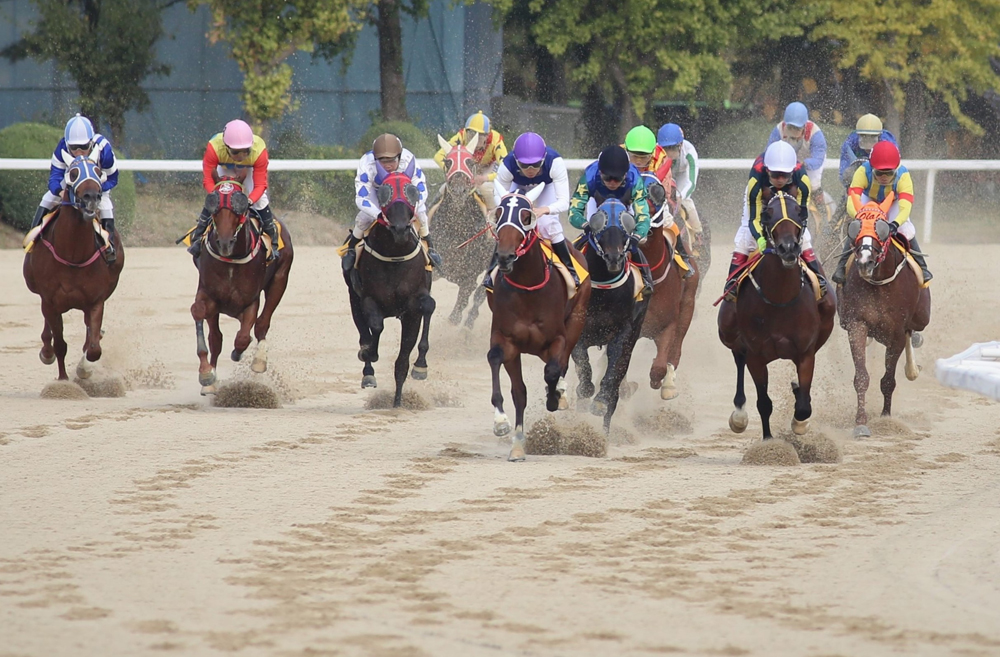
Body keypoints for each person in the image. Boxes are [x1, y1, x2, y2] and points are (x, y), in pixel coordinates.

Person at [723, 140, 828, 302]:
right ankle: (732, 282)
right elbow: (753, 219)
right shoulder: (756, 180)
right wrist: (760, 238)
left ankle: (818, 277)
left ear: (792, 172)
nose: (780, 179)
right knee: (745, 238)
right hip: (761, 198)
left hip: (791, 196)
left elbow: (802, 215)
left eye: (785, 175)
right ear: (767, 170)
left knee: (805, 237)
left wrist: (797, 237)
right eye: (775, 175)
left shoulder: (803, 181)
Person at [832, 140, 932, 284]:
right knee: (859, 228)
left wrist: (895, 224)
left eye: (889, 173)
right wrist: (861, 219)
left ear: (896, 170)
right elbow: (851, 202)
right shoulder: (862, 171)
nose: (884, 177)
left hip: (892, 202)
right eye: (879, 173)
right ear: (872, 168)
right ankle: (841, 266)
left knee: (906, 230)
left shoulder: (903, 176)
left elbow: (905, 208)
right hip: (869, 200)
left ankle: (922, 267)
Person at [487, 132, 575, 289]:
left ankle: (570, 269)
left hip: (546, 186)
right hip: (517, 186)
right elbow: (498, 196)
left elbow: (563, 202)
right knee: (508, 223)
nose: (530, 169)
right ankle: (491, 272)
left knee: (548, 224)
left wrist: (544, 210)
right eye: (524, 165)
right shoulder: (507, 166)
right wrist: (508, 211)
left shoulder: (555, 162)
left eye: (535, 164)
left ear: (543, 158)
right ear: (516, 160)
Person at [30, 113, 120, 264]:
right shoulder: (62, 147)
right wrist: (61, 192)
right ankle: (33, 236)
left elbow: (112, 178)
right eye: (74, 147)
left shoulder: (104, 149)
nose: (78, 152)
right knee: (48, 198)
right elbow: (54, 178)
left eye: (83, 147)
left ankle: (109, 246)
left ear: (91, 143)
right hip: (71, 182)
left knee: (105, 205)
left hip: (97, 184)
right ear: (67, 143)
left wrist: (97, 191)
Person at [342, 133, 437, 272]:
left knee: (422, 214)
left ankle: (431, 249)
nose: (387, 165)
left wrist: (413, 209)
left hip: (404, 194)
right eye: (382, 161)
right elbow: (361, 198)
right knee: (364, 218)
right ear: (375, 159)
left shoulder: (409, 159)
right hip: (377, 192)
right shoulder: (366, 163)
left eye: (391, 160)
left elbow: (421, 190)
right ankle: (351, 249)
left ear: (399, 156)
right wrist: (379, 215)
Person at [568, 144, 654, 297]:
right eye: (608, 178)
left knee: (635, 240)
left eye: (618, 179)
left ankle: (646, 278)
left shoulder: (634, 178)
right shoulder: (589, 176)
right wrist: (586, 225)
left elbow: (643, 216)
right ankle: (571, 272)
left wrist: (636, 236)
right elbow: (574, 211)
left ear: (625, 175)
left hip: (625, 205)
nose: (612, 182)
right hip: (598, 204)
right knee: (590, 234)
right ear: (600, 172)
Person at [189, 119, 279, 261]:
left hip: (248, 170)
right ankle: (198, 238)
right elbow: (208, 180)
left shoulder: (259, 150)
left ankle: (273, 242)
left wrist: (248, 201)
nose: (241, 156)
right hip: (223, 168)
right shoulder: (214, 147)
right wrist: (218, 197)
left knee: (261, 201)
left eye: (246, 151)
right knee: (214, 201)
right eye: (236, 152)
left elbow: (260, 185)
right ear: (225, 146)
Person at [431, 110, 507, 214]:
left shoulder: (496, 140)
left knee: (486, 190)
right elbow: (438, 156)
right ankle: (427, 217)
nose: (474, 138)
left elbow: (505, 169)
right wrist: (453, 172)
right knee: (443, 189)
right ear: (466, 132)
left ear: (487, 135)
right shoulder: (461, 136)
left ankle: (493, 220)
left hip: (488, 171)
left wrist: (485, 178)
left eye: (480, 135)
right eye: (471, 133)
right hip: (465, 171)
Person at [767, 102, 829, 206]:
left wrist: (804, 164)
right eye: (790, 127)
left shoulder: (816, 134)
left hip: (809, 161)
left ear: (804, 125)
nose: (793, 132)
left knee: (813, 185)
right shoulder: (778, 130)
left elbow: (818, 159)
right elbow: (770, 152)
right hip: (787, 161)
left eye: (797, 128)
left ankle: (821, 208)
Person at [839, 113, 898, 187]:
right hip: (858, 177)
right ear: (858, 135)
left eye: (872, 140)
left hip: (882, 178)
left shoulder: (888, 143)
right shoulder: (850, 143)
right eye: (864, 140)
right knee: (849, 174)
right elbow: (843, 171)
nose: (868, 146)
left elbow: (894, 170)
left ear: (879, 136)